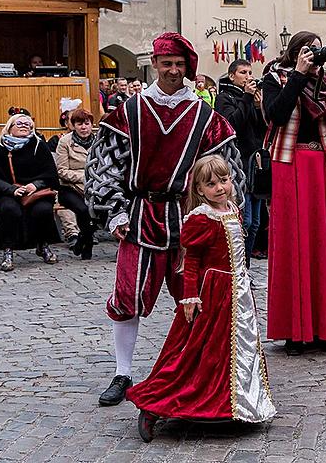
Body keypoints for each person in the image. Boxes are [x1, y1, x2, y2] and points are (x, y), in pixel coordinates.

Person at [85, 32, 244, 407]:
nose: (173, 70)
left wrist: (222, 214)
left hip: (193, 219)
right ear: (153, 64)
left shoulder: (207, 117)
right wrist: (116, 211)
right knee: (128, 296)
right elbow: (105, 166)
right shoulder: (129, 112)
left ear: (189, 67)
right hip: (140, 216)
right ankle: (123, 373)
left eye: (180, 64)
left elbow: (227, 170)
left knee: (195, 298)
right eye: (166, 63)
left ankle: (189, 374)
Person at [126, 155, 276, 442]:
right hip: (213, 293)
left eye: (224, 180)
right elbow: (191, 260)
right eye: (211, 184)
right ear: (199, 189)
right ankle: (154, 406)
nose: (220, 187)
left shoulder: (232, 208)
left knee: (227, 352)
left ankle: (227, 403)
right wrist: (189, 297)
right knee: (196, 351)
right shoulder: (201, 217)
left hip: (237, 293)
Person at [260, 31, 326, 354]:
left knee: (322, 243)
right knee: (292, 244)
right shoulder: (275, 77)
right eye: (307, 50)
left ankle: (325, 328)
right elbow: (276, 114)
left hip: (321, 163)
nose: (314, 55)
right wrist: (298, 75)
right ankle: (294, 329)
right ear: (293, 52)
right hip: (289, 162)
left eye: (317, 50)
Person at [0, 114, 60, 271]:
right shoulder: (0, 148)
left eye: (28, 124)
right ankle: (8, 250)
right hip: (8, 192)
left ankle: (43, 245)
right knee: (10, 209)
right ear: (10, 127)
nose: (24, 126)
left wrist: (35, 185)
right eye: (19, 123)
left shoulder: (39, 146)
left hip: (36, 192)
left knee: (42, 209)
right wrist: (12, 189)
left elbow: (51, 173)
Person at [215, 59, 267, 261]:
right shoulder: (224, 98)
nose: (248, 76)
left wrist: (258, 107)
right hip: (237, 165)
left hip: (255, 166)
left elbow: (262, 131)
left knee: (255, 223)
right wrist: (246, 99)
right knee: (243, 221)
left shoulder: (251, 98)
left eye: (250, 72)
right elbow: (232, 126)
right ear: (232, 76)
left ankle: (245, 269)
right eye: (243, 72)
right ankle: (235, 269)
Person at [53, 108, 96, 260]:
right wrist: (85, 177)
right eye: (79, 124)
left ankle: (81, 242)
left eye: (87, 123)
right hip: (69, 188)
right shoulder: (65, 142)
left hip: (94, 188)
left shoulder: (98, 141)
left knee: (98, 210)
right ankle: (87, 243)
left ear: (92, 124)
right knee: (84, 210)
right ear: (73, 125)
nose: (83, 127)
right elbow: (61, 171)